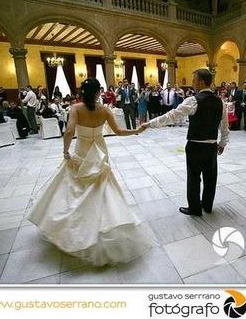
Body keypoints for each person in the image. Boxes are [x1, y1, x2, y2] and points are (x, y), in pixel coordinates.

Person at [27, 78, 154, 267]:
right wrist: (136, 131)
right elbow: (118, 131)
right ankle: (105, 221)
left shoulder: (76, 108)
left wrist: (65, 150)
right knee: (101, 186)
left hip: (83, 149)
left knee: (76, 185)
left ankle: (77, 225)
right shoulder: (104, 109)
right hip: (100, 150)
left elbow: (69, 131)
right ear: (97, 93)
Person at [143, 68, 229, 217]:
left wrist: (149, 123)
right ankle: (207, 206)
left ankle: (195, 208)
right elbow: (225, 126)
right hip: (211, 146)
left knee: (194, 177)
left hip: (195, 146)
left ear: (201, 82)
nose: (193, 84)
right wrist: (222, 143)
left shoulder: (193, 100)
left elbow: (171, 116)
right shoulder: (220, 102)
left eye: (194, 80)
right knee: (210, 177)